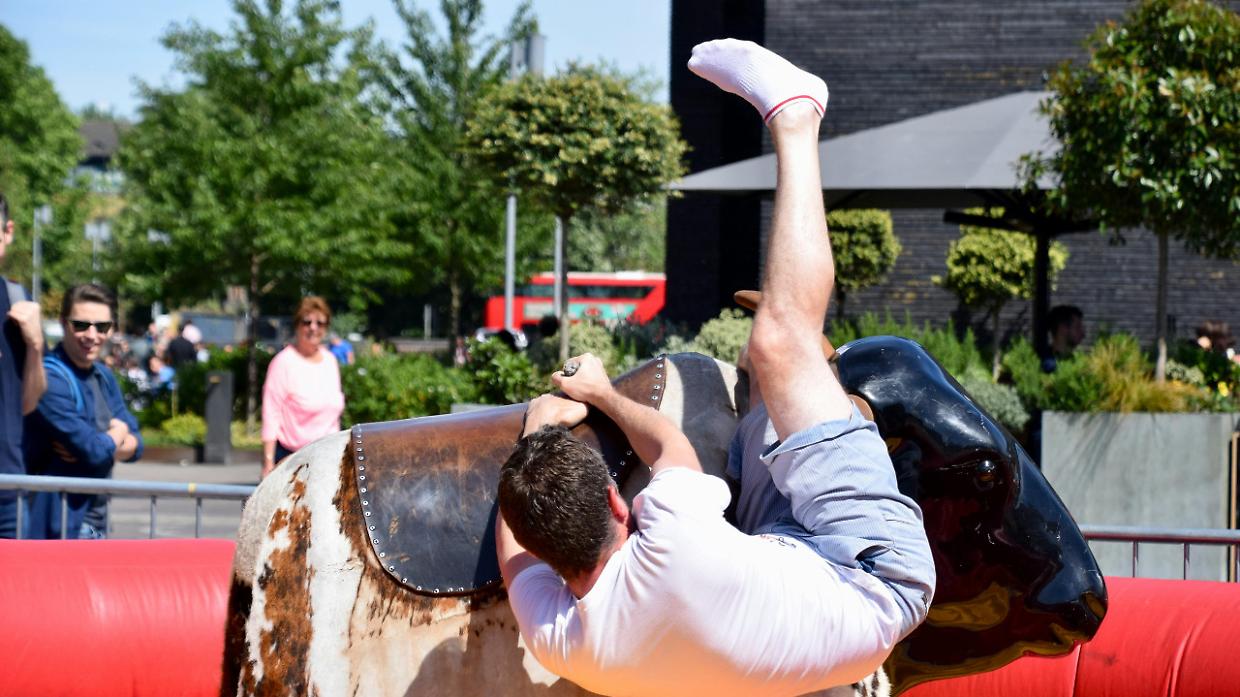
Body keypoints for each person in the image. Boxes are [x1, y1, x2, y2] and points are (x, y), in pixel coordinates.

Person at [495, 40, 934, 696]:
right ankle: (796, 115)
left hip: (787, 563)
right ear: (621, 501)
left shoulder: (562, 639)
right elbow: (668, 444)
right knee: (776, 347)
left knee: (761, 407)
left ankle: (810, 388)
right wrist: (588, 399)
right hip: (877, 573)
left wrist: (530, 454)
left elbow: (515, 560)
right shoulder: (668, 527)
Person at [23, 283, 142, 539]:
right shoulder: (49, 379)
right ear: (63, 322)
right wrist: (116, 433)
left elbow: (136, 444)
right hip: (59, 529)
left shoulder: (103, 376)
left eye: (102, 327)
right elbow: (94, 451)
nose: (92, 335)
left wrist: (110, 439)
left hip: (98, 524)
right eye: (81, 325)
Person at [0, 193, 47, 538]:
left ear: (8, 231)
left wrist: (35, 345)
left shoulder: (18, 302)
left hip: (6, 486)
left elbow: (27, 403)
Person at [260, 296, 344, 478]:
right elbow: (271, 413)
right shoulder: (283, 362)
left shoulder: (330, 361)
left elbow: (334, 414)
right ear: (297, 325)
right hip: (292, 460)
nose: (313, 328)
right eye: (307, 322)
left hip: (327, 458)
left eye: (320, 323)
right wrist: (268, 462)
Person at [1041, 305, 1084, 373]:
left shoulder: (1076, 361)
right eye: (1077, 327)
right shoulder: (1046, 364)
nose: (1083, 333)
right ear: (1063, 328)